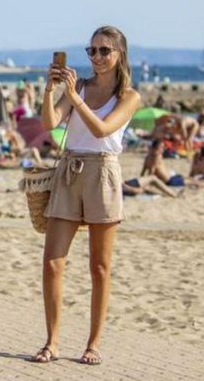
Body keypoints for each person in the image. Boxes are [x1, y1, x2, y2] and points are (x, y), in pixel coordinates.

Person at [33, 26, 141, 366]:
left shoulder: (129, 96)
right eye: (91, 50)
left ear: (119, 54)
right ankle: (52, 341)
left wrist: (74, 97)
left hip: (103, 172)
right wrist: (51, 91)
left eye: (104, 51)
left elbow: (103, 129)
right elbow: (50, 123)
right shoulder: (79, 86)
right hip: (70, 169)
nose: (96, 57)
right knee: (52, 263)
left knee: (100, 267)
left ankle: (93, 343)